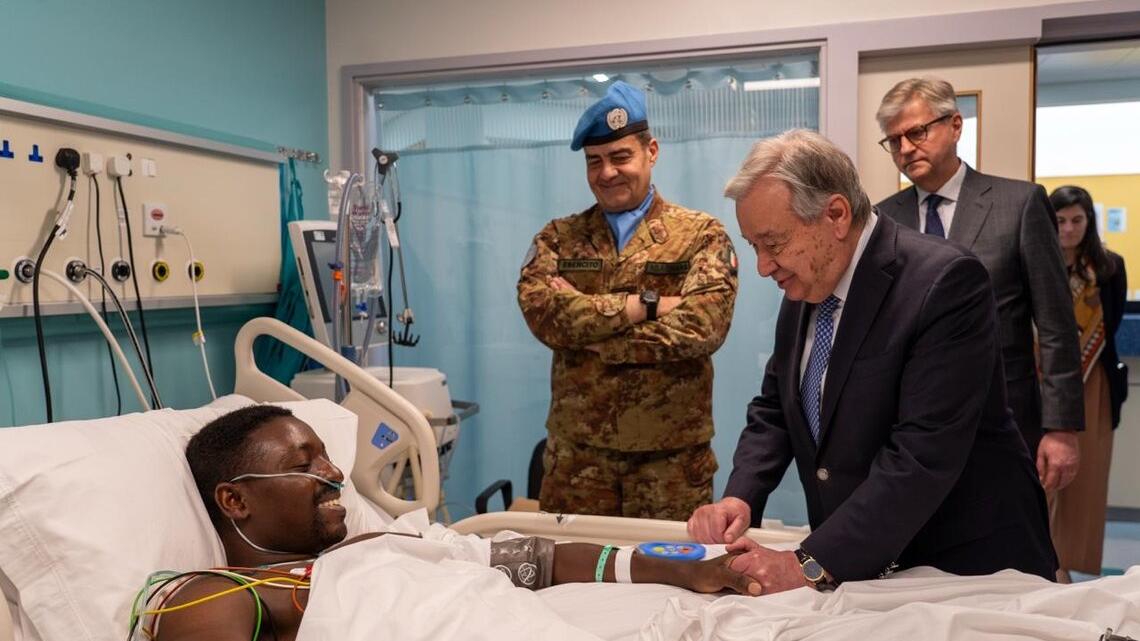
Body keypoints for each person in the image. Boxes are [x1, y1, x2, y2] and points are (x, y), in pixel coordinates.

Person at [686, 129, 1057, 595]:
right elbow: (776, 410)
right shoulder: (806, 287)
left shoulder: (943, 283)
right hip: (866, 564)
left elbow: (921, 457)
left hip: (962, 564)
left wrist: (809, 563)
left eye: (773, 243)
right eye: (753, 246)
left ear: (836, 215)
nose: (763, 266)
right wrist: (742, 495)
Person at [147, 405, 760, 641]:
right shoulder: (223, 595)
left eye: (326, 454)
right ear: (235, 501)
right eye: (302, 464)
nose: (334, 471)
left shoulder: (391, 540)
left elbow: (544, 560)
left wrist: (684, 572)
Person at [517, 81, 739, 520]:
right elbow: (543, 315)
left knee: (674, 581)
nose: (607, 172)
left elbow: (704, 325)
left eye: (621, 157)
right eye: (594, 161)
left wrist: (599, 339)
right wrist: (644, 306)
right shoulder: (559, 238)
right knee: (571, 580)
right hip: (578, 463)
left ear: (650, 152)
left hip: (669, 466)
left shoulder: (699, 234)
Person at [872, 77, 1084, 493]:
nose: (905, 148)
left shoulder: (1018, 205)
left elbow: (1057, 324)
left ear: (954, 125)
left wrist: (1061, 428)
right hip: (910, 424)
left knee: (1004, 547)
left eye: (916, 132)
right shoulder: (883, 220)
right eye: (893, 141)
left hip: (1003, 414)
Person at [1048, 185, 1128, 579]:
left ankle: (1070, 567)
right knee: (1038, 478)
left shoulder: (1109, 266)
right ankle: (1042, 563)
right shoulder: (1037, 263)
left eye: (1077, 220)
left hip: (1094, 381)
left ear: (1089, 222)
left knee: (1087, 480)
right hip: (1041, 381)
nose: (1069, 229)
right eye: (1060, 221)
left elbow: (1111, 326)